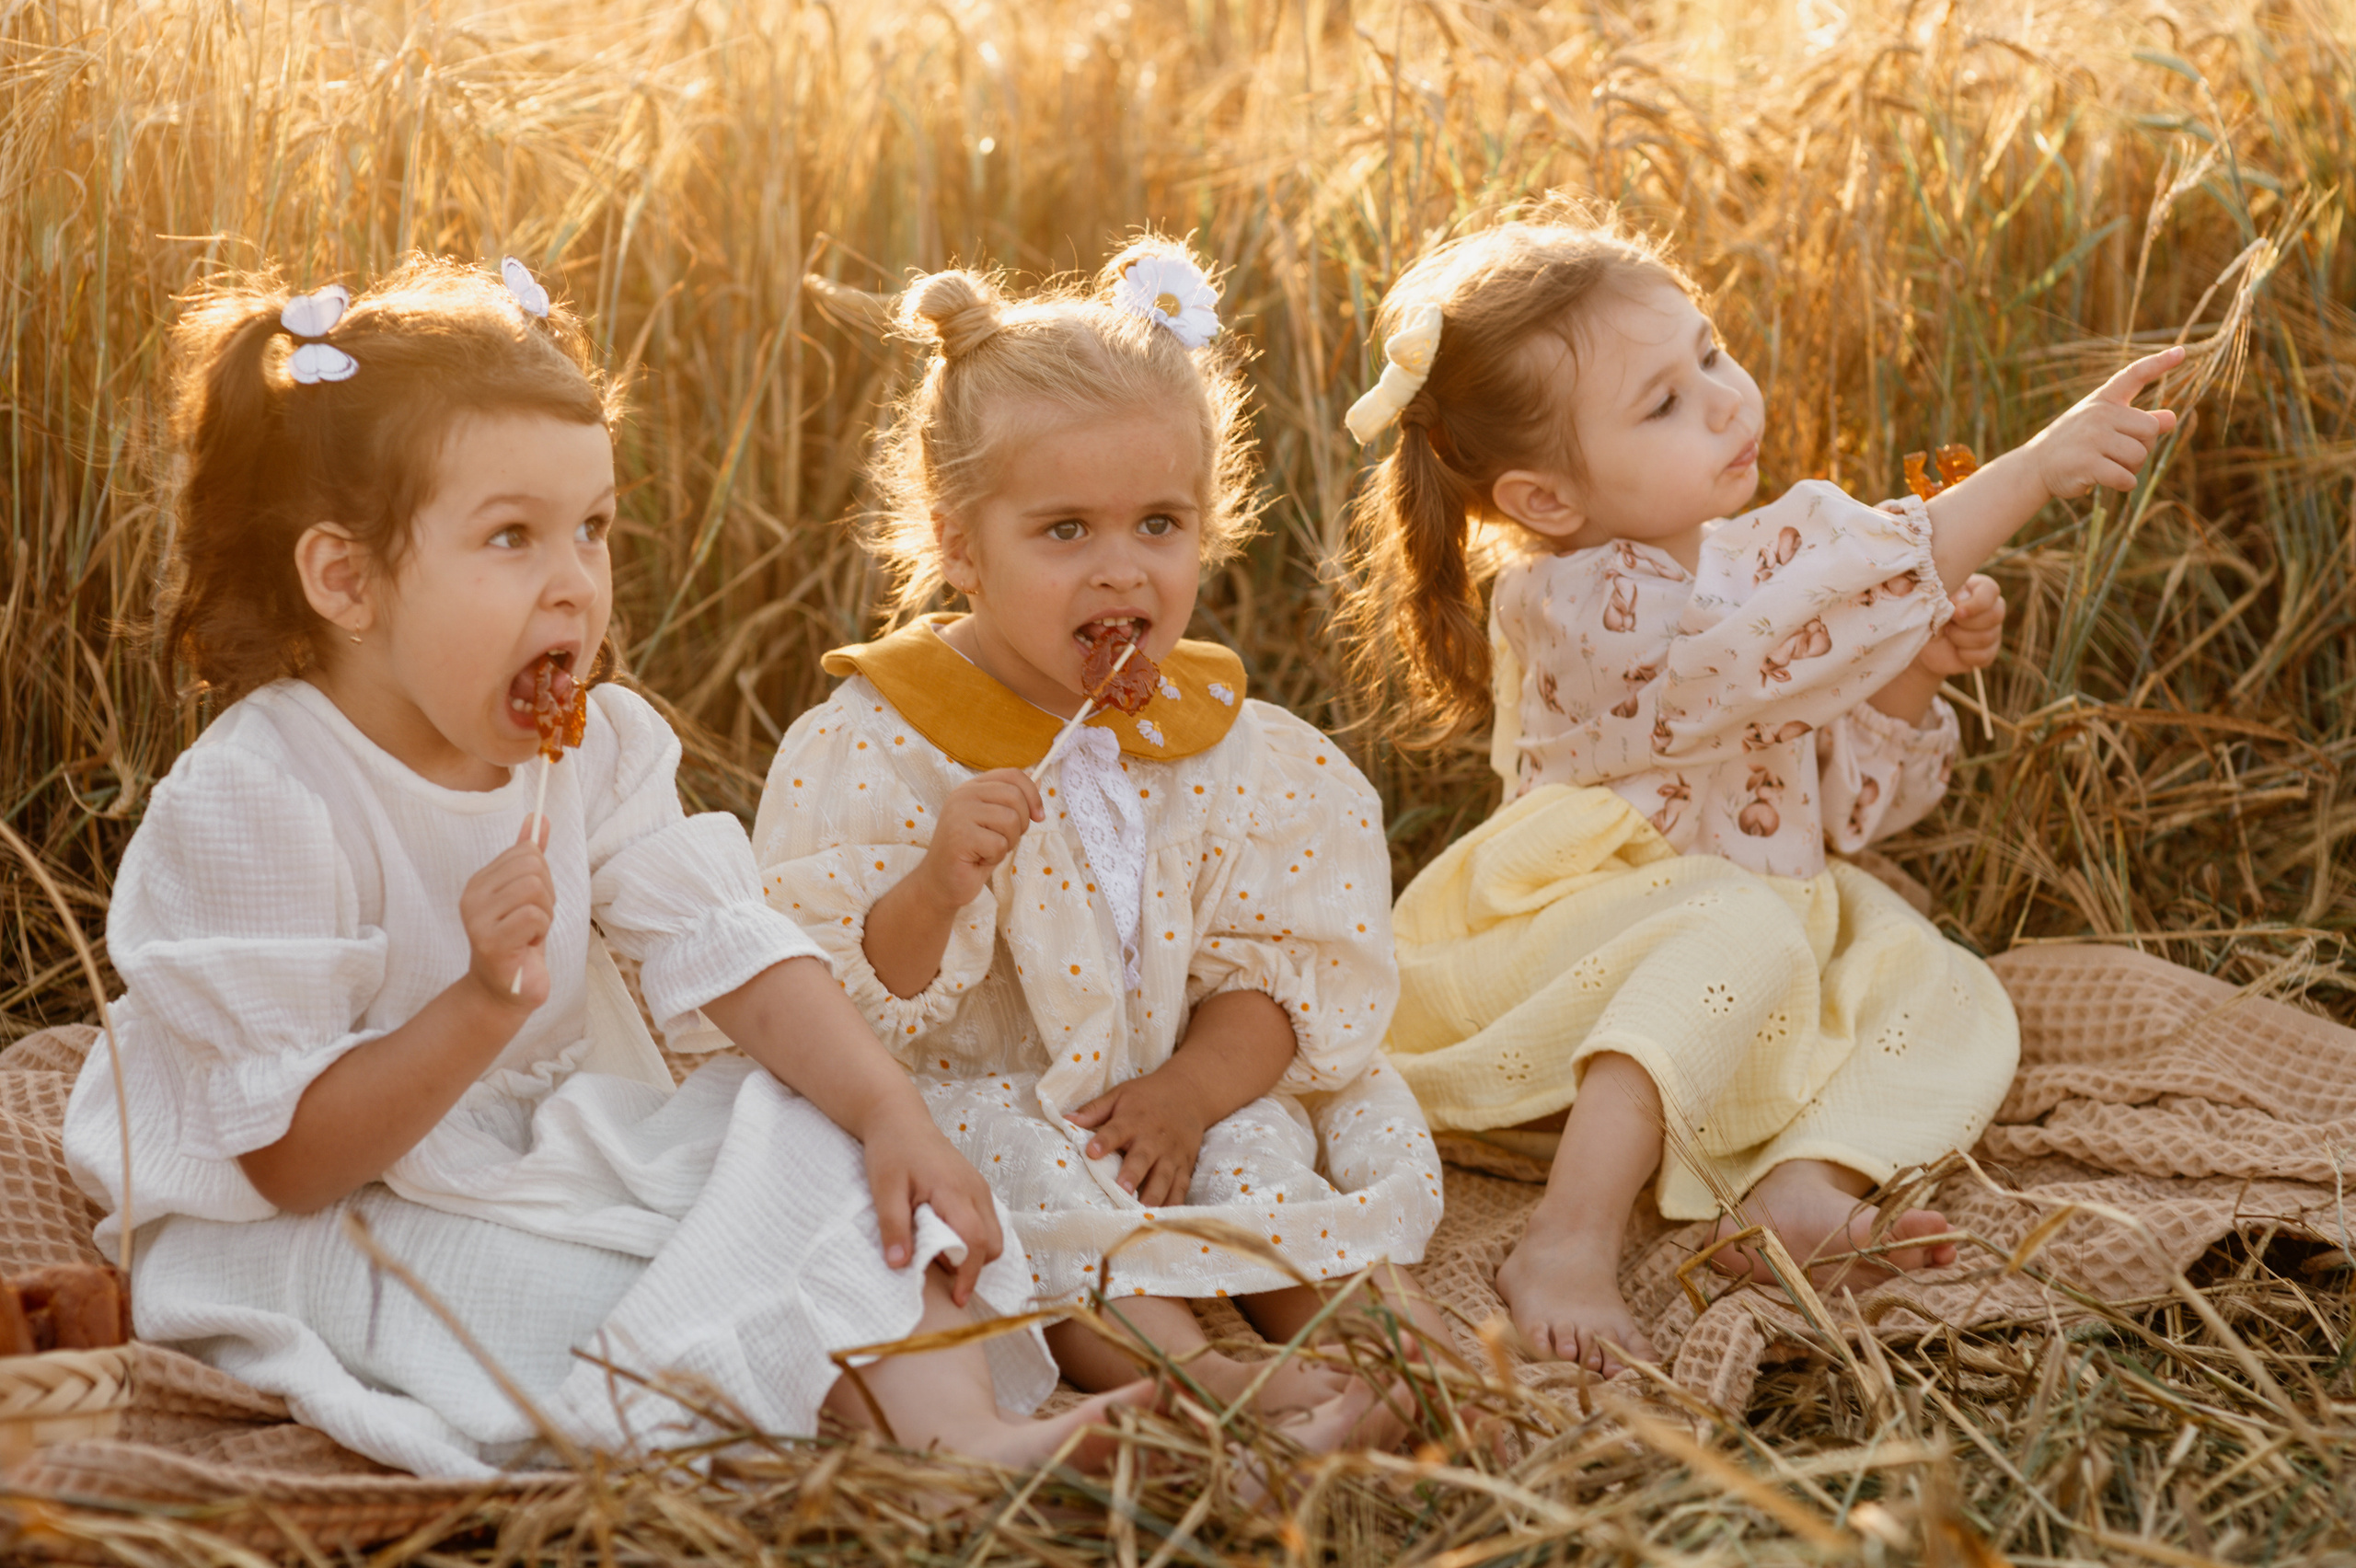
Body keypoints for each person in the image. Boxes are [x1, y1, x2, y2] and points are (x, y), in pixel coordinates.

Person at [63, 256, 1149, 1481]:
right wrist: (481, 1005)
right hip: (327, 1215)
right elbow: (291, 1160)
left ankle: (967, 1434)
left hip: (535, 1141)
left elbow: (730, 949)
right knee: (556, 1290)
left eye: (592, 528)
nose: (574, 582)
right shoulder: (263, 797)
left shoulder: (594, 749)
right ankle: (859, 1430)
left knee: (820, 1141)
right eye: (511, 536)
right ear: (346, 579)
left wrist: (891, 1115)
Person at [1336, 213, 2180, 1373]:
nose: (1725, 401)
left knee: (1931, 977)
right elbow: (1765, 643)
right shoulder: (1574, 603)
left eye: (1711, 353)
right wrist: (2028, 473)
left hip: (1747, 955)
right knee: (1737, 924)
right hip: (1579, 965)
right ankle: (1567, 1238)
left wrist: (1907, 674)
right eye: (1663, 403)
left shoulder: (1742, 562)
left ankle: (1799, 1188)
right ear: (1546, 500)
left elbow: (1841, 812)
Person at [754, 239, 1445, 1448]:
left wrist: (1187, 1093)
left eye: (1158, 524)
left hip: (1178, 1082)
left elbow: (1275, 971)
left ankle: (1396, 1356)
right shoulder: (885, 744)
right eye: (1064, 530)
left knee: (1265, 1146)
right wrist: (936, 886)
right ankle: (1212, 1388)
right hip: (988, 1097)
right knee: (1036, 1179)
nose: (1121, 568)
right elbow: (849, 1001)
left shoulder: (1225, 745)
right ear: (960, 544)